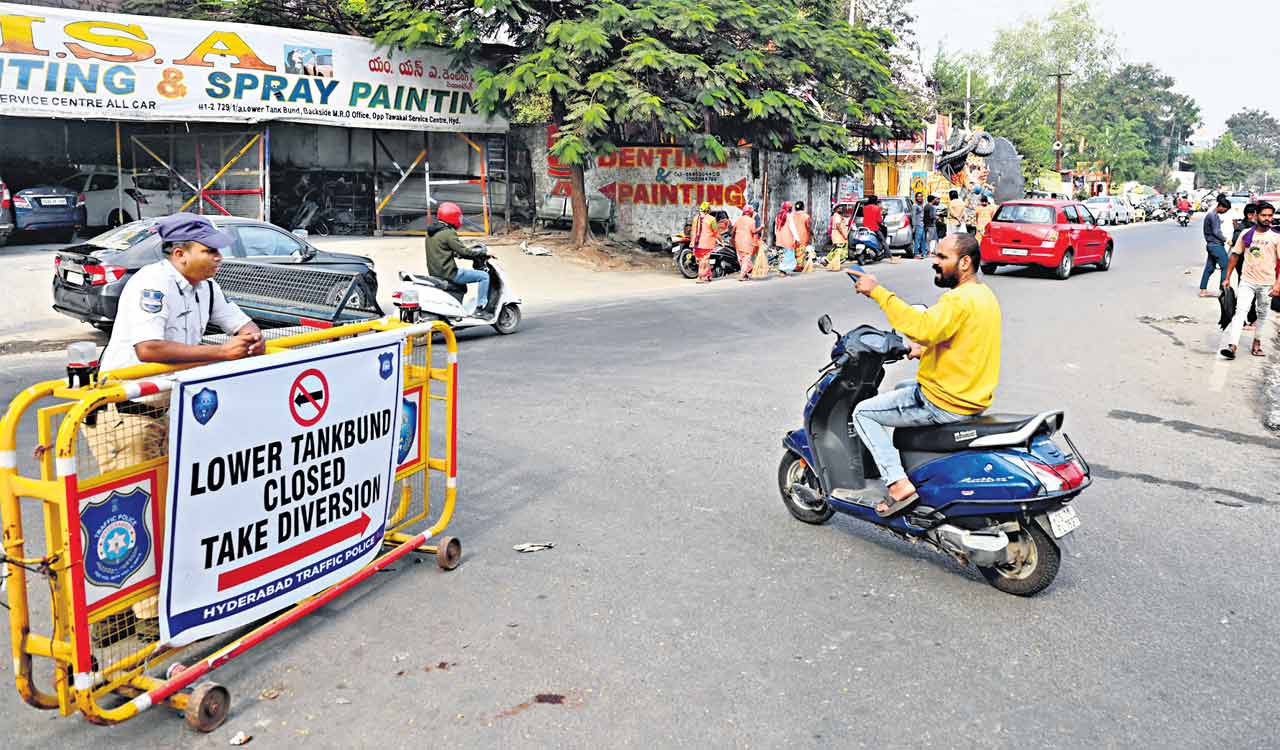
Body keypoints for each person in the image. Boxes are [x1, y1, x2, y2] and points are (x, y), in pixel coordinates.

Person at [89, 212, 264, 644]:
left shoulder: (205, 287)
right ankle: (135, 618)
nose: (219, 258)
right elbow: (148, 348)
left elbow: (238, 322)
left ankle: (131, 612)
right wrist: (221, 354)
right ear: (180, 253)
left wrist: (252, 336)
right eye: (210, 251)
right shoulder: (153, 284)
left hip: (164, 413)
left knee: (165, 513)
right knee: (131, 518)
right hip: (125, 416)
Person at [847, 233, 1002, 517]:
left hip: (945, 402)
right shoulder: (984, 296)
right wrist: (924, 350)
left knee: (863, 413)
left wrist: (877, 292)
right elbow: (963, 340)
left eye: (942, 257)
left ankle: (897, 483)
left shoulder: (958, 300)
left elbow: (920, 327)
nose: (935, 262)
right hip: (971, 396)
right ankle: (915, 466)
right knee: (903, 387)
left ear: (964, 262)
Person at [1220, 201, 1279, 359]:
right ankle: (1232, 346)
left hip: (1267, 283)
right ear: (1255, 216)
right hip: (1247, 280)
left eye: (1270, 215)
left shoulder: (1276, 237)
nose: (1267, 218)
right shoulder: (1246, 234)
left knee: (1262, 314)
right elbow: (1235, 255)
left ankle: (1257, 342)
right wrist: (1227, 277)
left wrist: (1278, 284)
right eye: (1264, 215)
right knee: (1240, 311)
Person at [426, 201, 491, 310]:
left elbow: (443, 249)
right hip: (449, 274)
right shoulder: (448, 233)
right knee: (484, 276)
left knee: (462, 285)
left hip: (436, 272)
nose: (460, 220)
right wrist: (484, 253)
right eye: (458, 217)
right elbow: (464, 252)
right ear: (452, 217)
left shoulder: (431, 232)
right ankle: (482, 306)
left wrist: (457, 254)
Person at [1200, 196, 1232, 298]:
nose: (1225, 212)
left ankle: (1203, 290)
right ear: (1221, 206)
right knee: (1226, 266)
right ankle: (1223, 291)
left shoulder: (1211, 215)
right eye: (1225, 210)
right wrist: (1226, 240)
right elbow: (1216, 232)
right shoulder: (1213, 216)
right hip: (1216, 246)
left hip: (1211, 245)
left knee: (1209, 268)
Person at [690, 202, 720, 283]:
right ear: (708, 210)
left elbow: (692, 231)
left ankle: (708, 275)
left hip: (696, 243)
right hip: (706, 243)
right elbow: (716, 231)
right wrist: (721, 241)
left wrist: (692, 242)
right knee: (704, 260)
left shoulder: (695, 218)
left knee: (701, 259)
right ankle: (701, 277)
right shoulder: (712, 219)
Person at [732, 205, 760, 281]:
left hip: (738, 241)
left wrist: (732, 239)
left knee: (741, 258)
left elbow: (733, 230)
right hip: (747, 242)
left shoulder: (738, 219)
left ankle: (745, 274)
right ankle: (742, 275)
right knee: (746, 259)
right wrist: (761, 228)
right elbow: (754, 231)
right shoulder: (752, 221)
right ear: (750, 212)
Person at [775, 201, 797, 276]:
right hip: (788, 239)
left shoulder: (778, 216)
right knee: (788, 255)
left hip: (780, 239)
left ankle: (782, 270)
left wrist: (777, 236)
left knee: (783, 254)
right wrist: (797, 238)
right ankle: (783, 269)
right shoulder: (789, 216)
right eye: (790, 208)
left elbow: (776, 229)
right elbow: (793, 229)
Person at [791, 200, 813, 272]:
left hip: (793, 236)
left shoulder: (791, 216)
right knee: (801, 251)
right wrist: (811, 233)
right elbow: (808, 226)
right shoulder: (806, 216)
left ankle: (795, 264)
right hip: (803, 236)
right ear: (803, 207)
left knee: (795, 251)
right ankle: (799, 266)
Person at [827, 206, 850, 271]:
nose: (840, 209)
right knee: (840, 251)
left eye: (840, 207)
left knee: (837, 250)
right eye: (839, 208)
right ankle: (832, 262)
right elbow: (838, 226)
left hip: (838, 236)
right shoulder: (837, 216)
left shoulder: (837, 216)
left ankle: (829, 261)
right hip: (839, 236)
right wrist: (844, 235)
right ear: (835, 209)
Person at [910, 192, 927, 259]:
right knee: (917, 240)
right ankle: (916, 254)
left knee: (923, 239)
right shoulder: (915, 206)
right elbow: (913, 216)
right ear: (916, 198)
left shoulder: (922, 205)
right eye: (918, 197)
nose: (920, 198)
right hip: (917, 225)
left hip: (923, 224)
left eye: (921, 196)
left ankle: (923, 253)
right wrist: (914, 226)